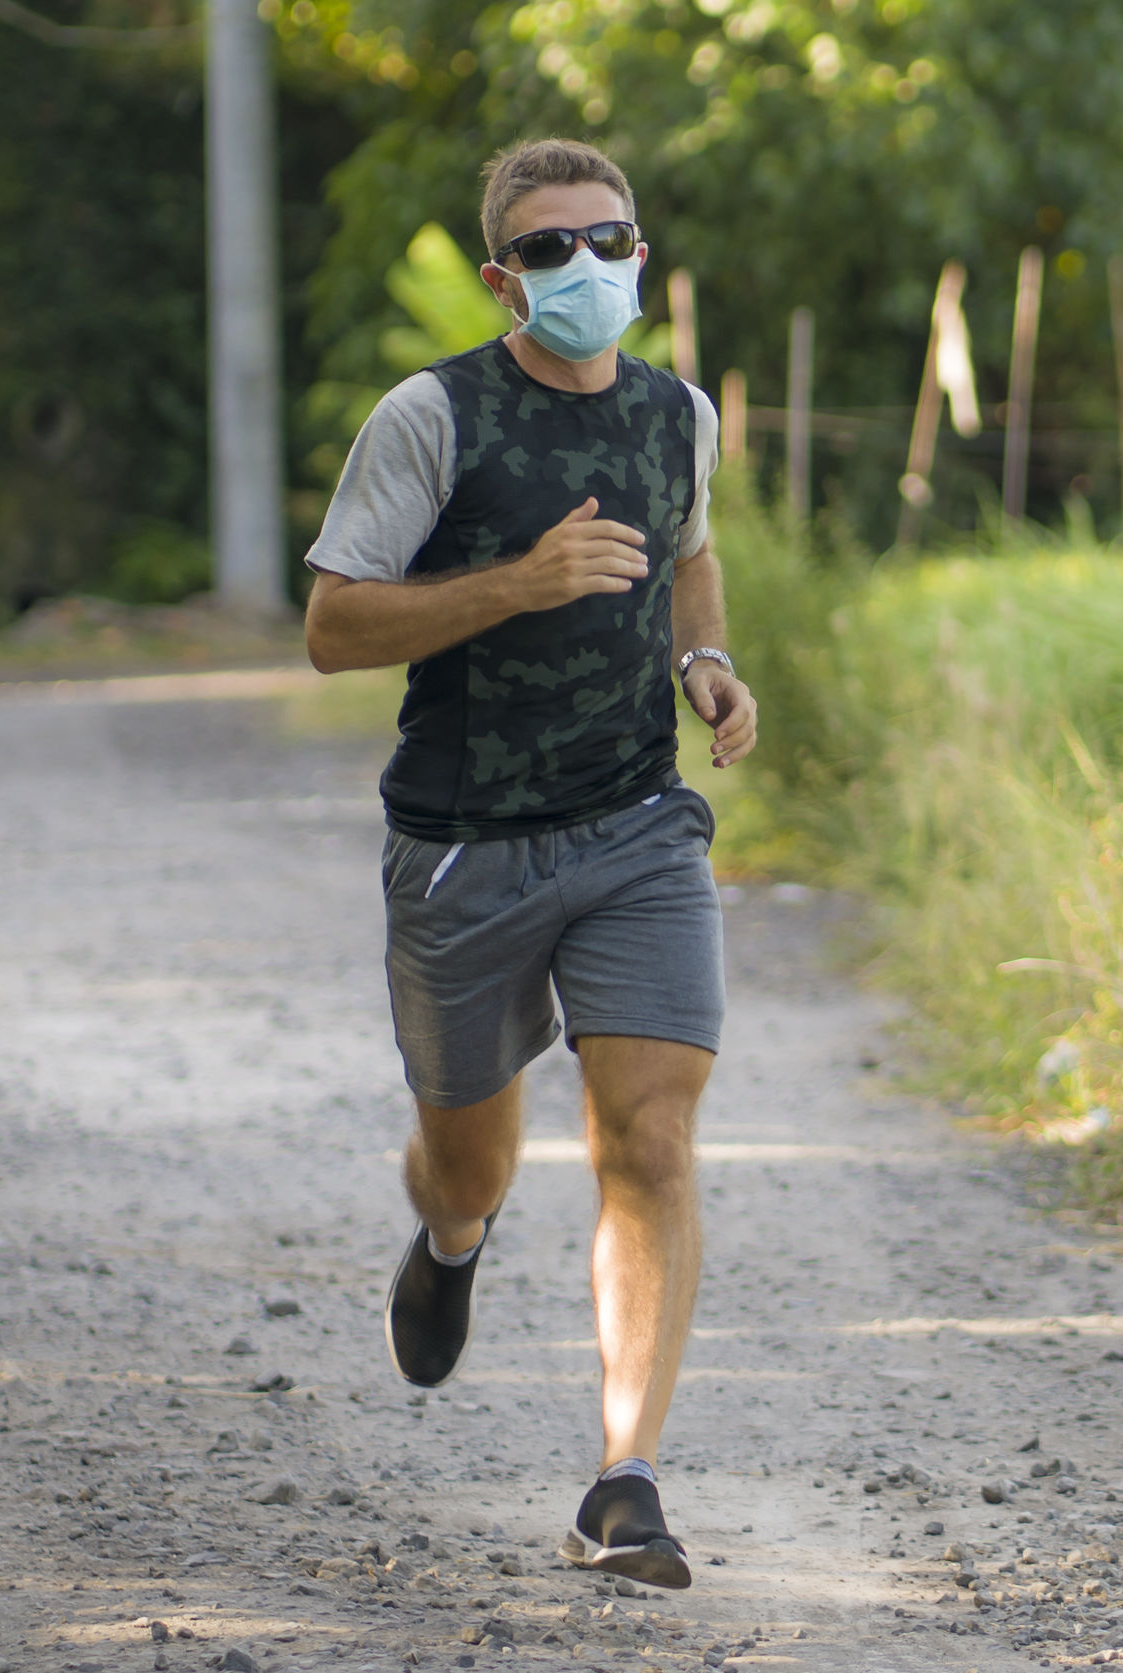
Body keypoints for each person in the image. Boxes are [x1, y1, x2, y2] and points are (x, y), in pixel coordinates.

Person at [299, 136, 756, 1591]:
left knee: (650, 1134)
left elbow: (689, 550)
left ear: (637, 248)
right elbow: (333, 626)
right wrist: (518, 582)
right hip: (464, 850)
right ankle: (450, 1237)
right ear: (505, 277)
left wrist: (707, 657)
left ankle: (625, 1481)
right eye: (549, 250)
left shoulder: (676, 413)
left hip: (638, 827)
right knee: (468, 1155)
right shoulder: (432, 417)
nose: (584, 268)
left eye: (604, 240)